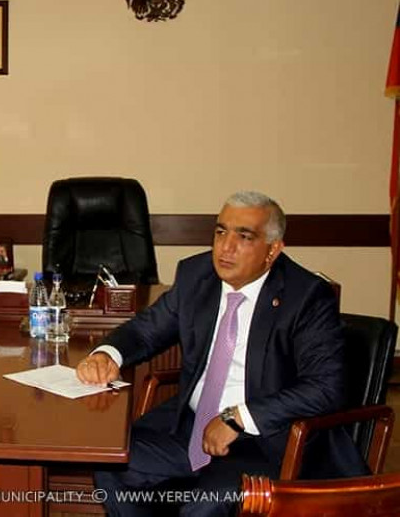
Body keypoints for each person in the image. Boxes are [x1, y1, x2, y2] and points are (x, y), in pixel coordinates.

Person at [75, 191, 368, 516]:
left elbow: (326, 387)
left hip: (263, 441)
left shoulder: (306, 297)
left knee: (203, 507)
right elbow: (146, 329)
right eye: (220, 232)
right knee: (112, 464)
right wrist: (109, 354)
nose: (226, 247)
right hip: (191, 427)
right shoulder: (196, 276)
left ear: (272, 250)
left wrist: (237, 418)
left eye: (244, 237)